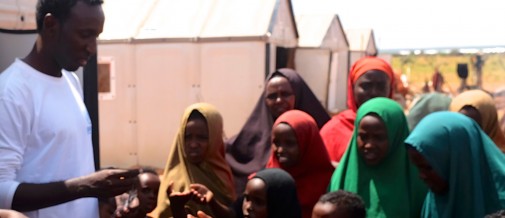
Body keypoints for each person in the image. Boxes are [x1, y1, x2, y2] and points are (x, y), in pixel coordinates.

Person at [0, 0, 140, 217]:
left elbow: (68, 167)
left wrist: (102, 193)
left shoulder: (71, 81)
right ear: (51, 25)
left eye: (96, 36)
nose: (92, 48)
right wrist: (85, 186)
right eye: (85, 35)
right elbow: (1, 191)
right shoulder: (11, 92)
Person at [225, 68, 330, 194]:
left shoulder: (322, 134)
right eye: (272, 96)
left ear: (298, 94)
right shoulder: (247, 142)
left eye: (285, 94)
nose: (279, 100)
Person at [328, 98, 427, 218]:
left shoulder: (418, 183)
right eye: (363, 137)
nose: (369, 145)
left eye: (379, 138)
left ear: (396, 137)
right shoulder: (342, 178)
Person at [406, 111, 505, 217]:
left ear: (459, 160)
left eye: (428, 168)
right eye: (418, 168)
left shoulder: (499, 207)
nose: (421, 176)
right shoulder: (434, 203)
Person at [155, 103, 236, 218]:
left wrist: (212, 201)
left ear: (215, 137)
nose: (193, 144)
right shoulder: (173, 181)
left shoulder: (222, 173)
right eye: (187, 137)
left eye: (202, 137)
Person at [320, 56, 394, 164]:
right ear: (352, 88)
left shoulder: (397, 129)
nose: (374, 92)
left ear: (390, 89)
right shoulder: (333, 130)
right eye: (366, 86)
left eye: (381, 86)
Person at [266, 110, 334, 218]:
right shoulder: (266, 180)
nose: (280, 150)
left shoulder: (330, 182)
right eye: (276, 142)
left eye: (290, 143)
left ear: (308, 142)